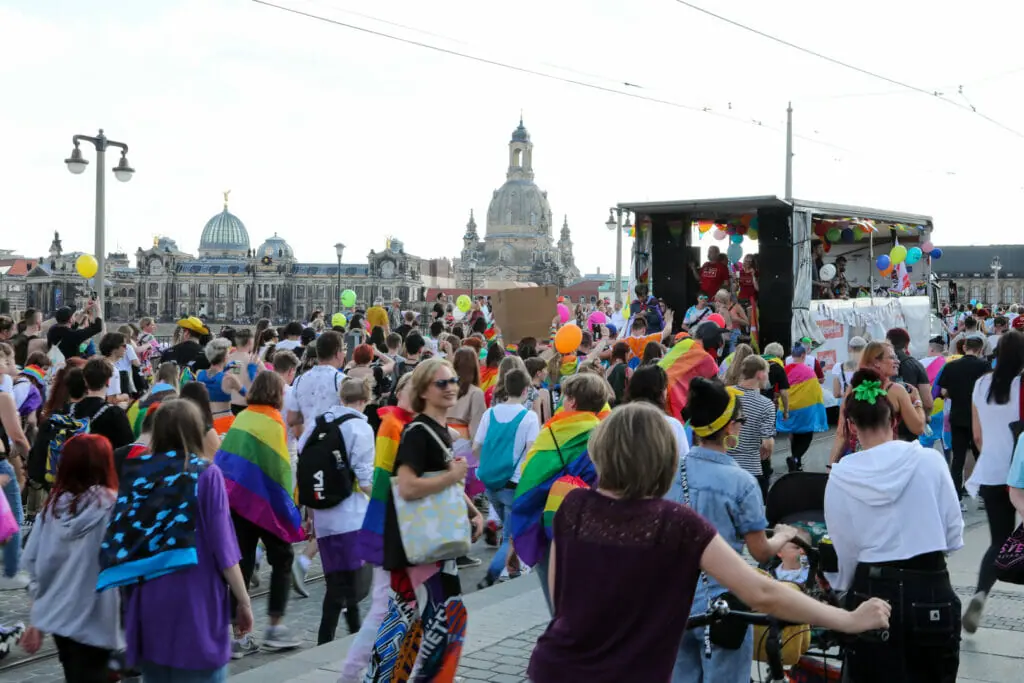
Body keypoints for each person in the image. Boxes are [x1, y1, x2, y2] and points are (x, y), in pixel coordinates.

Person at [527, 402, 891, 683]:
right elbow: (763, 593)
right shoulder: (675, 523)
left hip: (554, 666)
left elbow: (563, 601)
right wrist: (848, 619)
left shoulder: (573, 507)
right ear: (664, 457)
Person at [826, 369, 964, 681]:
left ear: (850, 425)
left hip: (871, 588)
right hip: (929, 582)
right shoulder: (929, 461)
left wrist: (843, 590)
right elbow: (953, 534)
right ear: (894, 421)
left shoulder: (842, 474)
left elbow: (844, 547)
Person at [364, 358, 485, 681]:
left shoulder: (438, 431)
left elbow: (447, 483)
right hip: (421, 545)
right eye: (441, 383)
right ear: (423, 391)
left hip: (436, 546)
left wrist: (474, 513)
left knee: (431, 623)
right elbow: (407, 486)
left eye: (453, 381)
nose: (450, 388)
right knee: (441, 623)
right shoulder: (418, 432)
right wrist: (453, 477)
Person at [114, 399, 253, 680]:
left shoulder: (140, 474)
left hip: (149, 599)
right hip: (196, 598)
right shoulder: (207, 475)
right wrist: (243, 600)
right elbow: (223, 547)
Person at [19, 434, 122, 682]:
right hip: (101, 619)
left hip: (62, 620)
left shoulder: (52, 509)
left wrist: (39, 618)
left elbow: (35, 563)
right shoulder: (114, 507)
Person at [216, 371, 304, 655]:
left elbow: (227, 459)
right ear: (277, 394)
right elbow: (278, 470)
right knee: (283, 557)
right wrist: (288, 507)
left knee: (240, 563)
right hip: (263, 504)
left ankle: (237, 636)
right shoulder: (273, 421)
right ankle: (274, 626)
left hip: (236, 501)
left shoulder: (243, 417)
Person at [962, 330, 1024, 633]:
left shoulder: (982, 384)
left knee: (999, 540)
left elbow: (977, 436)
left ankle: (980, 594)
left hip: (992, 472)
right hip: (1021, 473)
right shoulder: (1022, 385)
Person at [310, 377, 375, 650]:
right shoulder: (361, 427)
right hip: (351, 515)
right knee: (355, 584)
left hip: (324, 516)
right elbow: (365, 476)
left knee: (337, 583)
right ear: (365, 399)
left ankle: (329, 641)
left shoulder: (320, 422)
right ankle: (349, 641)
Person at [474, 369, 540, 589]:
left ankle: (512, 570)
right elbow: (532, 453)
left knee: (508, 532)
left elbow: (477, 447)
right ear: (525, 390)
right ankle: (493, 574)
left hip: (491, 483)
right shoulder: (529, 417)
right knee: (512, 534)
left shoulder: (489, 414)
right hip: (514, 484)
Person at [937, 333, 989, 501]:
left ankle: (956, 497)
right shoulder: (984, 366)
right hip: (978, 418)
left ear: (964, 348)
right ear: (980, 349)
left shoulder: (951, 366)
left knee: (957, 458)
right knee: (980, 455)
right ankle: (983, 494)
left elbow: (943, 391)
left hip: (957, 415)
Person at [730, 355, 777, 499]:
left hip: (724, 466)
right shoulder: (766, 405)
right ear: (760, 374)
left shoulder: (726, 394)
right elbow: (767, 444)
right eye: (767, 374)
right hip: (750, 469)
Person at [777, 344, 828, 472]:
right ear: (803, 355)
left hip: (789, 407)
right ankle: (795, 458)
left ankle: (796, 462)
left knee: (794, 434)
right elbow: (815, 391)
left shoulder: (785, 369)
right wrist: (817, 407)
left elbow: (780, 389)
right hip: (805, 409)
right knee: (806, 436)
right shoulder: (808, 371)